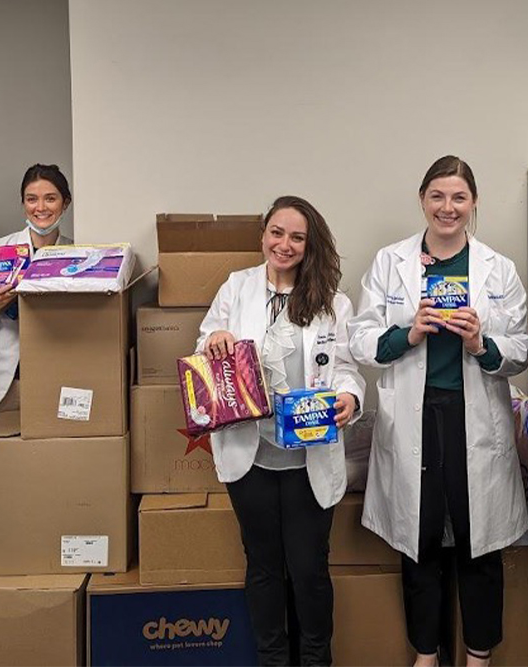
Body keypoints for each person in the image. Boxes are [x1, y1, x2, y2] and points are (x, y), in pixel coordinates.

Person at [348, 155, 528, 667]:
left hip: (475, 419)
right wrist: (410, 331)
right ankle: (425, 654)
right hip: (415, 416)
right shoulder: (391, 262)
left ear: (473, 204)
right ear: (422, 200)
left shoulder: (498, 268)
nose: (448, 208)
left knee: (480, 542)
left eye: (459, 197)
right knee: (419, 538)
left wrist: (479, 344)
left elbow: (520, 349)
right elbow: (360, 340)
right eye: (437, 197)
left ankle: (478, 654)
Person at [197, 195, 364, 666]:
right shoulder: (237, 287)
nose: (284, 245)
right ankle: (272, 660)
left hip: (308, 457)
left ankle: (315, 660)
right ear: (263, 235)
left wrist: (350, 397)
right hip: (250, 455)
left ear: (311, 245)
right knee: (265, 568)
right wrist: (213, 339)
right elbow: (204, 342)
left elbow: (348, 369)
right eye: (277, 232)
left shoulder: (333, 301)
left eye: (296, 237)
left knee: (309, 571)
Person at [0, 163, 72, 427]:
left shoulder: (78, 254)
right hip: (2, 386)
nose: (41, 208)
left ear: (65, 203)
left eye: (50, 198)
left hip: (57, 379)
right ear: (23, 203)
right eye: (32, 199)